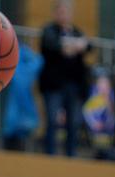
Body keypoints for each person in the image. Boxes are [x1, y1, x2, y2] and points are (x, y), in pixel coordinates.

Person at [39, 0, 90, 157]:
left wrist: (73, 46)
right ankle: (50, 154)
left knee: (73, 122)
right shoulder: (49, 30)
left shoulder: (76, 31)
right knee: (53, 120)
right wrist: (69, 46)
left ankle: (71, 155)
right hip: (53, 85)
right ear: (55, 13)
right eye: (60, 12)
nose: (63, 15)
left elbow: (88, 46)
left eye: (66, 12)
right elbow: (51, 45)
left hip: (74, 85)